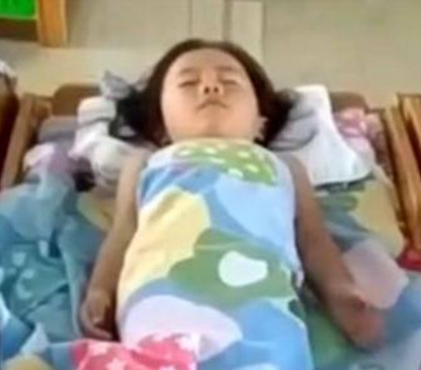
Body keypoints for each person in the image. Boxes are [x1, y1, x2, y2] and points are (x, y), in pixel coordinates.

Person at [79, 38, 383, 349]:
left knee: (270, 369)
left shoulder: (285, 167)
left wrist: (341, 291)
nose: (211, 87)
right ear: (161, 127)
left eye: (230, 81)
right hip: (161, 298)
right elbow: (123, 233)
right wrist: (101, 290)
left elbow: (313, 239)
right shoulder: (146, 164)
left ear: (261, 123)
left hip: (261, 300)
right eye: (188, 83)